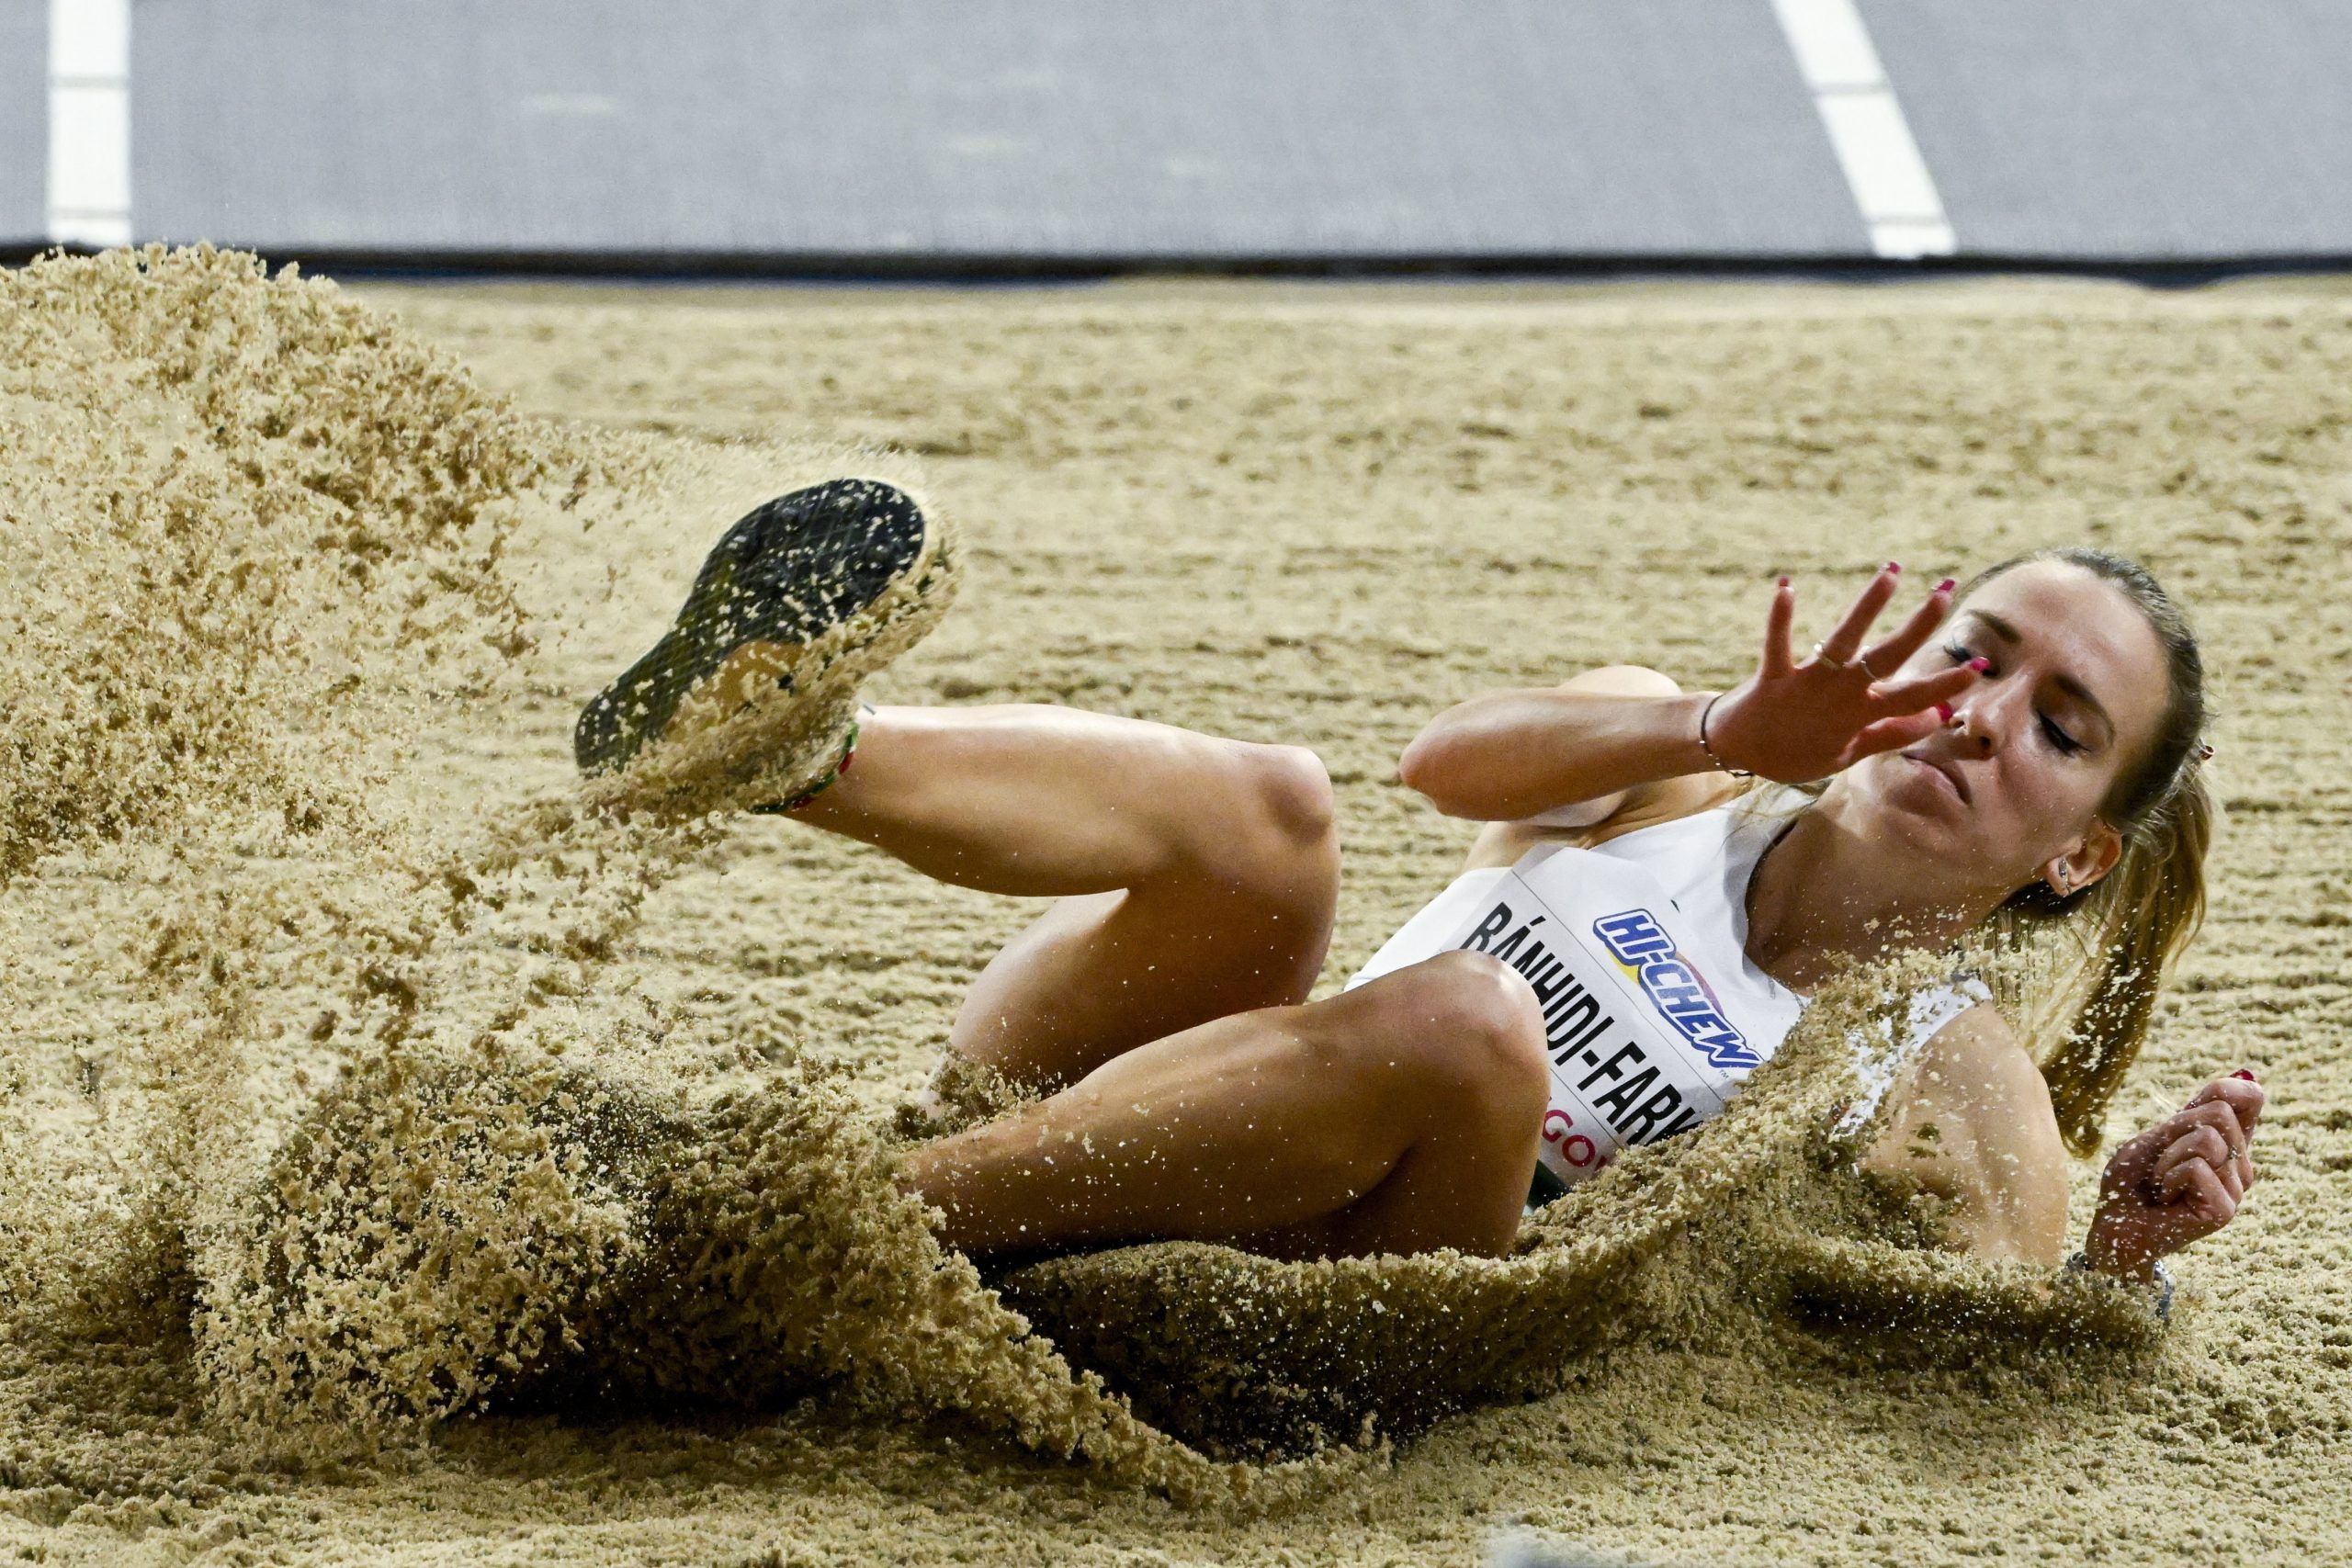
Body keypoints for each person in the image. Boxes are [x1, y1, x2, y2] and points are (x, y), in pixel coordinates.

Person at [577, 479, 2260, 1308]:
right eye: (1975, 654)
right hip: (1165, 1133)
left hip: (1344, 1307)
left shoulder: (1961, 1077)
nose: (1981, 715)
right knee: (1274, 814)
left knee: (1468, 1029)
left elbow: (1980, 1361)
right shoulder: (1679, 774)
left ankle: (791, 1231)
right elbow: (1445, 766)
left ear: (2079, 854)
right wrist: (1718, 726)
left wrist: (2118, 1266)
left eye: (2060, 729)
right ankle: (788, 748)